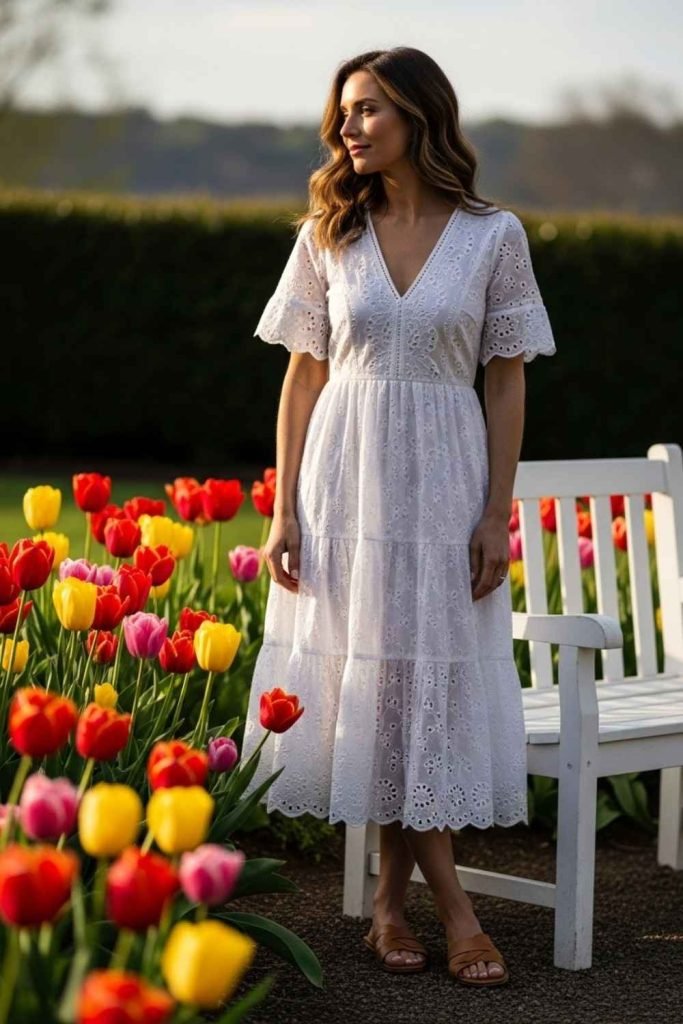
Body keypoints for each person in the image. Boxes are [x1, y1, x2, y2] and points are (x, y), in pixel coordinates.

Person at [241, 46, 556, 986]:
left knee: (425, 688)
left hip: (447, 480)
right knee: (377, 687)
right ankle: (450, 911)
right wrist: (284, 506)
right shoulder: (326, 234)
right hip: (346, 483)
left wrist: (496, 513)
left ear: (420, 116)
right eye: (344, 111)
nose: (348, 127)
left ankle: (391, 904)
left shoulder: (494, 236)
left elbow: (505, 382)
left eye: (369, 109)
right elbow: (303, 375)